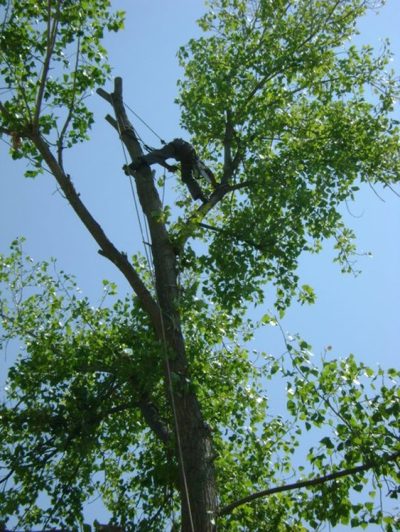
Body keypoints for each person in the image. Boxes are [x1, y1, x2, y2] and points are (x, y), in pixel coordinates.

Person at [127, 138, 215, 202]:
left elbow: (159, 157)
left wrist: (169, 167)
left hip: (183, 153)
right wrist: (169, 167)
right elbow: (159, 157)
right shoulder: (195, 159)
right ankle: (139, 161)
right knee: (188, 174)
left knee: (189, 174)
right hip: (181, 150)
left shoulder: (193, 160)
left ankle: (202, 195)